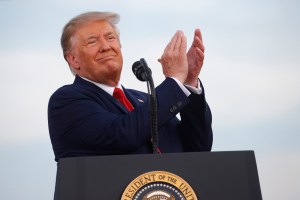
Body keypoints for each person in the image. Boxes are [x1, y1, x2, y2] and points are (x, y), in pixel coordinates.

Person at [48, 11, 213, 162]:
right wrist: (175, 81)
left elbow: (198, 148)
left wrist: (188, 81)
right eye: (92, 41)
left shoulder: (145, 100)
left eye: (110, 38)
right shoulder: (66, 101)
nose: (106, 46)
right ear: (73, 60)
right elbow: (121, 136)